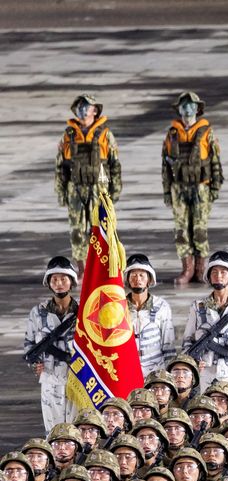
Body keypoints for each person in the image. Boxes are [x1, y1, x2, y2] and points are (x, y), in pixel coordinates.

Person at [161, 91, 223, 285]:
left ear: (197, 109)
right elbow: (165, 165)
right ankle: (187, 269)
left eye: (190, 105)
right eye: (183, 105)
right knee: (181, 230)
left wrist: (214, 187)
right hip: (179, 188)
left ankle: (200, 269)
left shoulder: (207, 132)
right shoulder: (172, 133)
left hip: (201, 187)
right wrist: (166, 190)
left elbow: (215, 161)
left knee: (199, 229)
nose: (187, 109)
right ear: (178, 109)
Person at [56, 94, 121, 269]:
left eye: (87, 107)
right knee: (77, 231)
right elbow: (60, 166)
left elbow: (114, 164)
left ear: (95, 111)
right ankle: (82, 269)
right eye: (80, 107)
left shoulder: (105, 135)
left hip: (98, 188)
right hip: (75, 188)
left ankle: (100, 268)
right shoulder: (68, 135)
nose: (83, 110)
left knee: (100, 229)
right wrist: (61, 192)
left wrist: (115, 191)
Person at [181, 252, 228, 390]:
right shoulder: (198, 307)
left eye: (223, 272)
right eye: (214, 272)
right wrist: (193, 363)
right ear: (209, 277)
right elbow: (188, 340)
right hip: (208, 373)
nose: (218, 276)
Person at [25, 257, 78, 432]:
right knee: (53, 432)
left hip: (77, 379)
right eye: (54, 279)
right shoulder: (38, 313)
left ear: (71, 282)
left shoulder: (83, 311)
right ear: (48, 283)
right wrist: (35, 364)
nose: (59, 284)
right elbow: (29, 343)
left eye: (63, 279)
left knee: (76, 430)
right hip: (50, 379)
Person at [124, 254, 176, 377]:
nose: (138, 279)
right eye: (133, 275)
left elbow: (169, 345)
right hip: (126, 369)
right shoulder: (118, 307)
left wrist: (168, 376)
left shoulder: (162, 307)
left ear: (149, 279)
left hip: (155, 371)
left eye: (142, 275)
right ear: (128, 279)